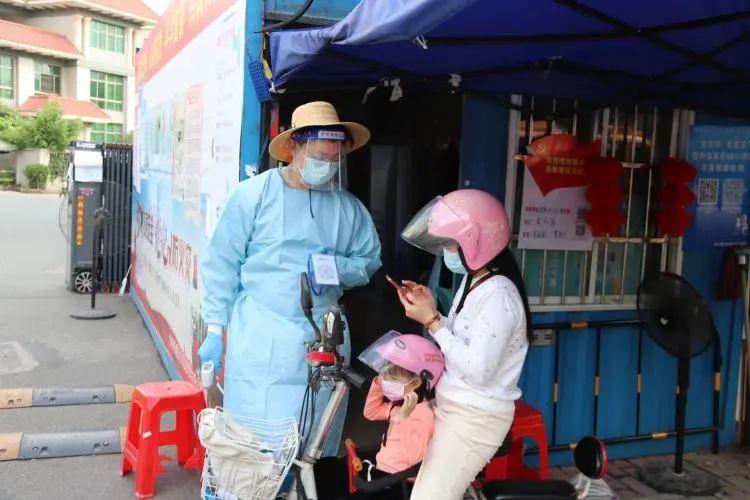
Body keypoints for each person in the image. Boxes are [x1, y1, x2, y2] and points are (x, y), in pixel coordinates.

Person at [198, 101, 382, 457]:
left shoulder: (347, 208)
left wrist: (335, 268)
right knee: (255, 452)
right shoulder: (253, 196)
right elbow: (221, 263)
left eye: (334, 159)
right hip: (261, 340)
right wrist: (215, 329)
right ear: (294, 147)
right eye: (318, 157)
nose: (326, 166)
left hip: (323, 339)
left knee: (312, 447)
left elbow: (369, 261)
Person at [395, 189, 532, 500]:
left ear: (475, 242)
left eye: (449, 243)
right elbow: (463, 339)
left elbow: (479, 370)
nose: (446, 251)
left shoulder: (498, 294)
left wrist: (432, 321)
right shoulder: (475, 281)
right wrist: (432, 310)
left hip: (475, 417)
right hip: (455, 407)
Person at [358, 333, 444, 477]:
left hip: (399, 480)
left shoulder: (424, 414)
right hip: (382, 469)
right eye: (385, 374)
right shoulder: (398, 406)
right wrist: (379, 382)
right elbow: (371, 412)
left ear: (416, 382)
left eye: (392, 378)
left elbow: (416, 457)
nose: (386, 380)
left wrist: (403, 418)